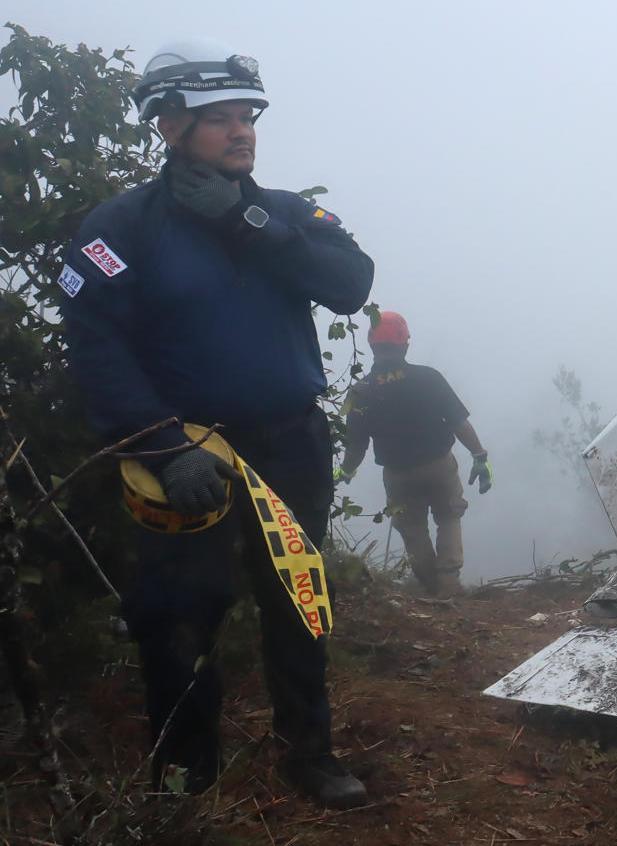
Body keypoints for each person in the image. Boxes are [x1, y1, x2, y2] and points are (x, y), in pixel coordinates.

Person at [55, 39, 372, 808]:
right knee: (178, 612)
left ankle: (310, 755)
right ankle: (185, 774)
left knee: (298, 598)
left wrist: (246, 221)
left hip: (289, 444)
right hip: (185, 451)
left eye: (247, 117)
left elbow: (350, 283)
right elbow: (97, 345)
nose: (241, 132)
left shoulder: (286, 213)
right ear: (169, 126)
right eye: (218, 119)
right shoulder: (120, 227)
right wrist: (163, 445)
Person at [337, 311, 492, 596]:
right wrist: (479, 455)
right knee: (449, 516)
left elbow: (356, 446)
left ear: (371, 345)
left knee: (412, 529)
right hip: (439, 465)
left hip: (397, 475)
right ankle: (448, 583)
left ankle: (432, 588)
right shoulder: (429, 378)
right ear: (405, 345)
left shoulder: (359, 393)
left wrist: (345, 471)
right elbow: (459, 422)